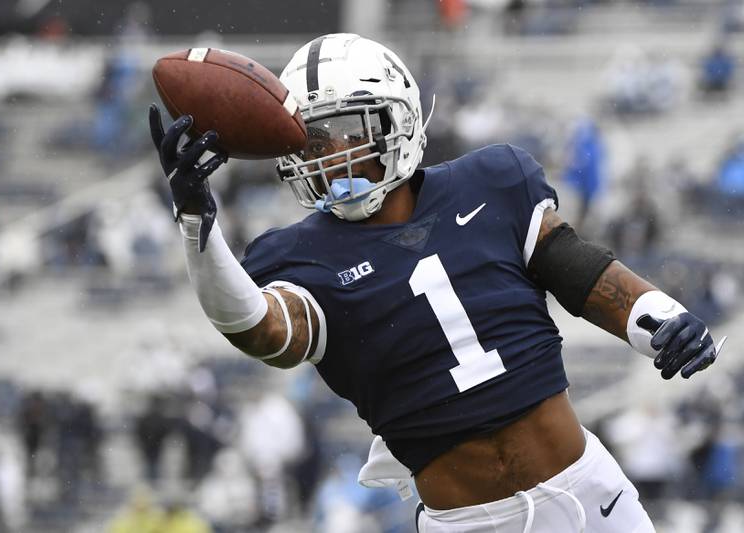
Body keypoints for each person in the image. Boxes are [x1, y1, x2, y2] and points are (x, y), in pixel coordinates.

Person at [148, 34, 725, 532]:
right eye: (312, 140)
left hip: (587, 497)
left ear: (394, 119)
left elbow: (576, 267)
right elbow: (258, 327)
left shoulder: (493, 180)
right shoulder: (299, 254)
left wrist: (658, 317)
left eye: (343, 131)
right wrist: (198, 221)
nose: (326, 154)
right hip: (465, 522)